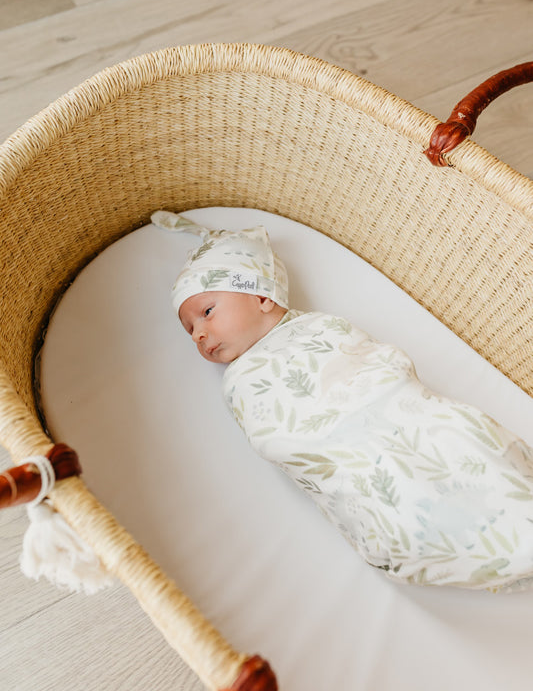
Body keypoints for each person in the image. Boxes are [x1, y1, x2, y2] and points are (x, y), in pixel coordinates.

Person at [152, 210, 533, 592]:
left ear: (262, 295)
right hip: (342, 458)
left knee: (461, 446)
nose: (198, 334)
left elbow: (377, 362)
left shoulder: (321, 327)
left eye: (206, 312)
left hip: (399, 414)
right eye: (190, 329)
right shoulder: (239, 379)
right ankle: (488, 552)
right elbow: (270, 433)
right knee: (399, 507)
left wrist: (378, 392)